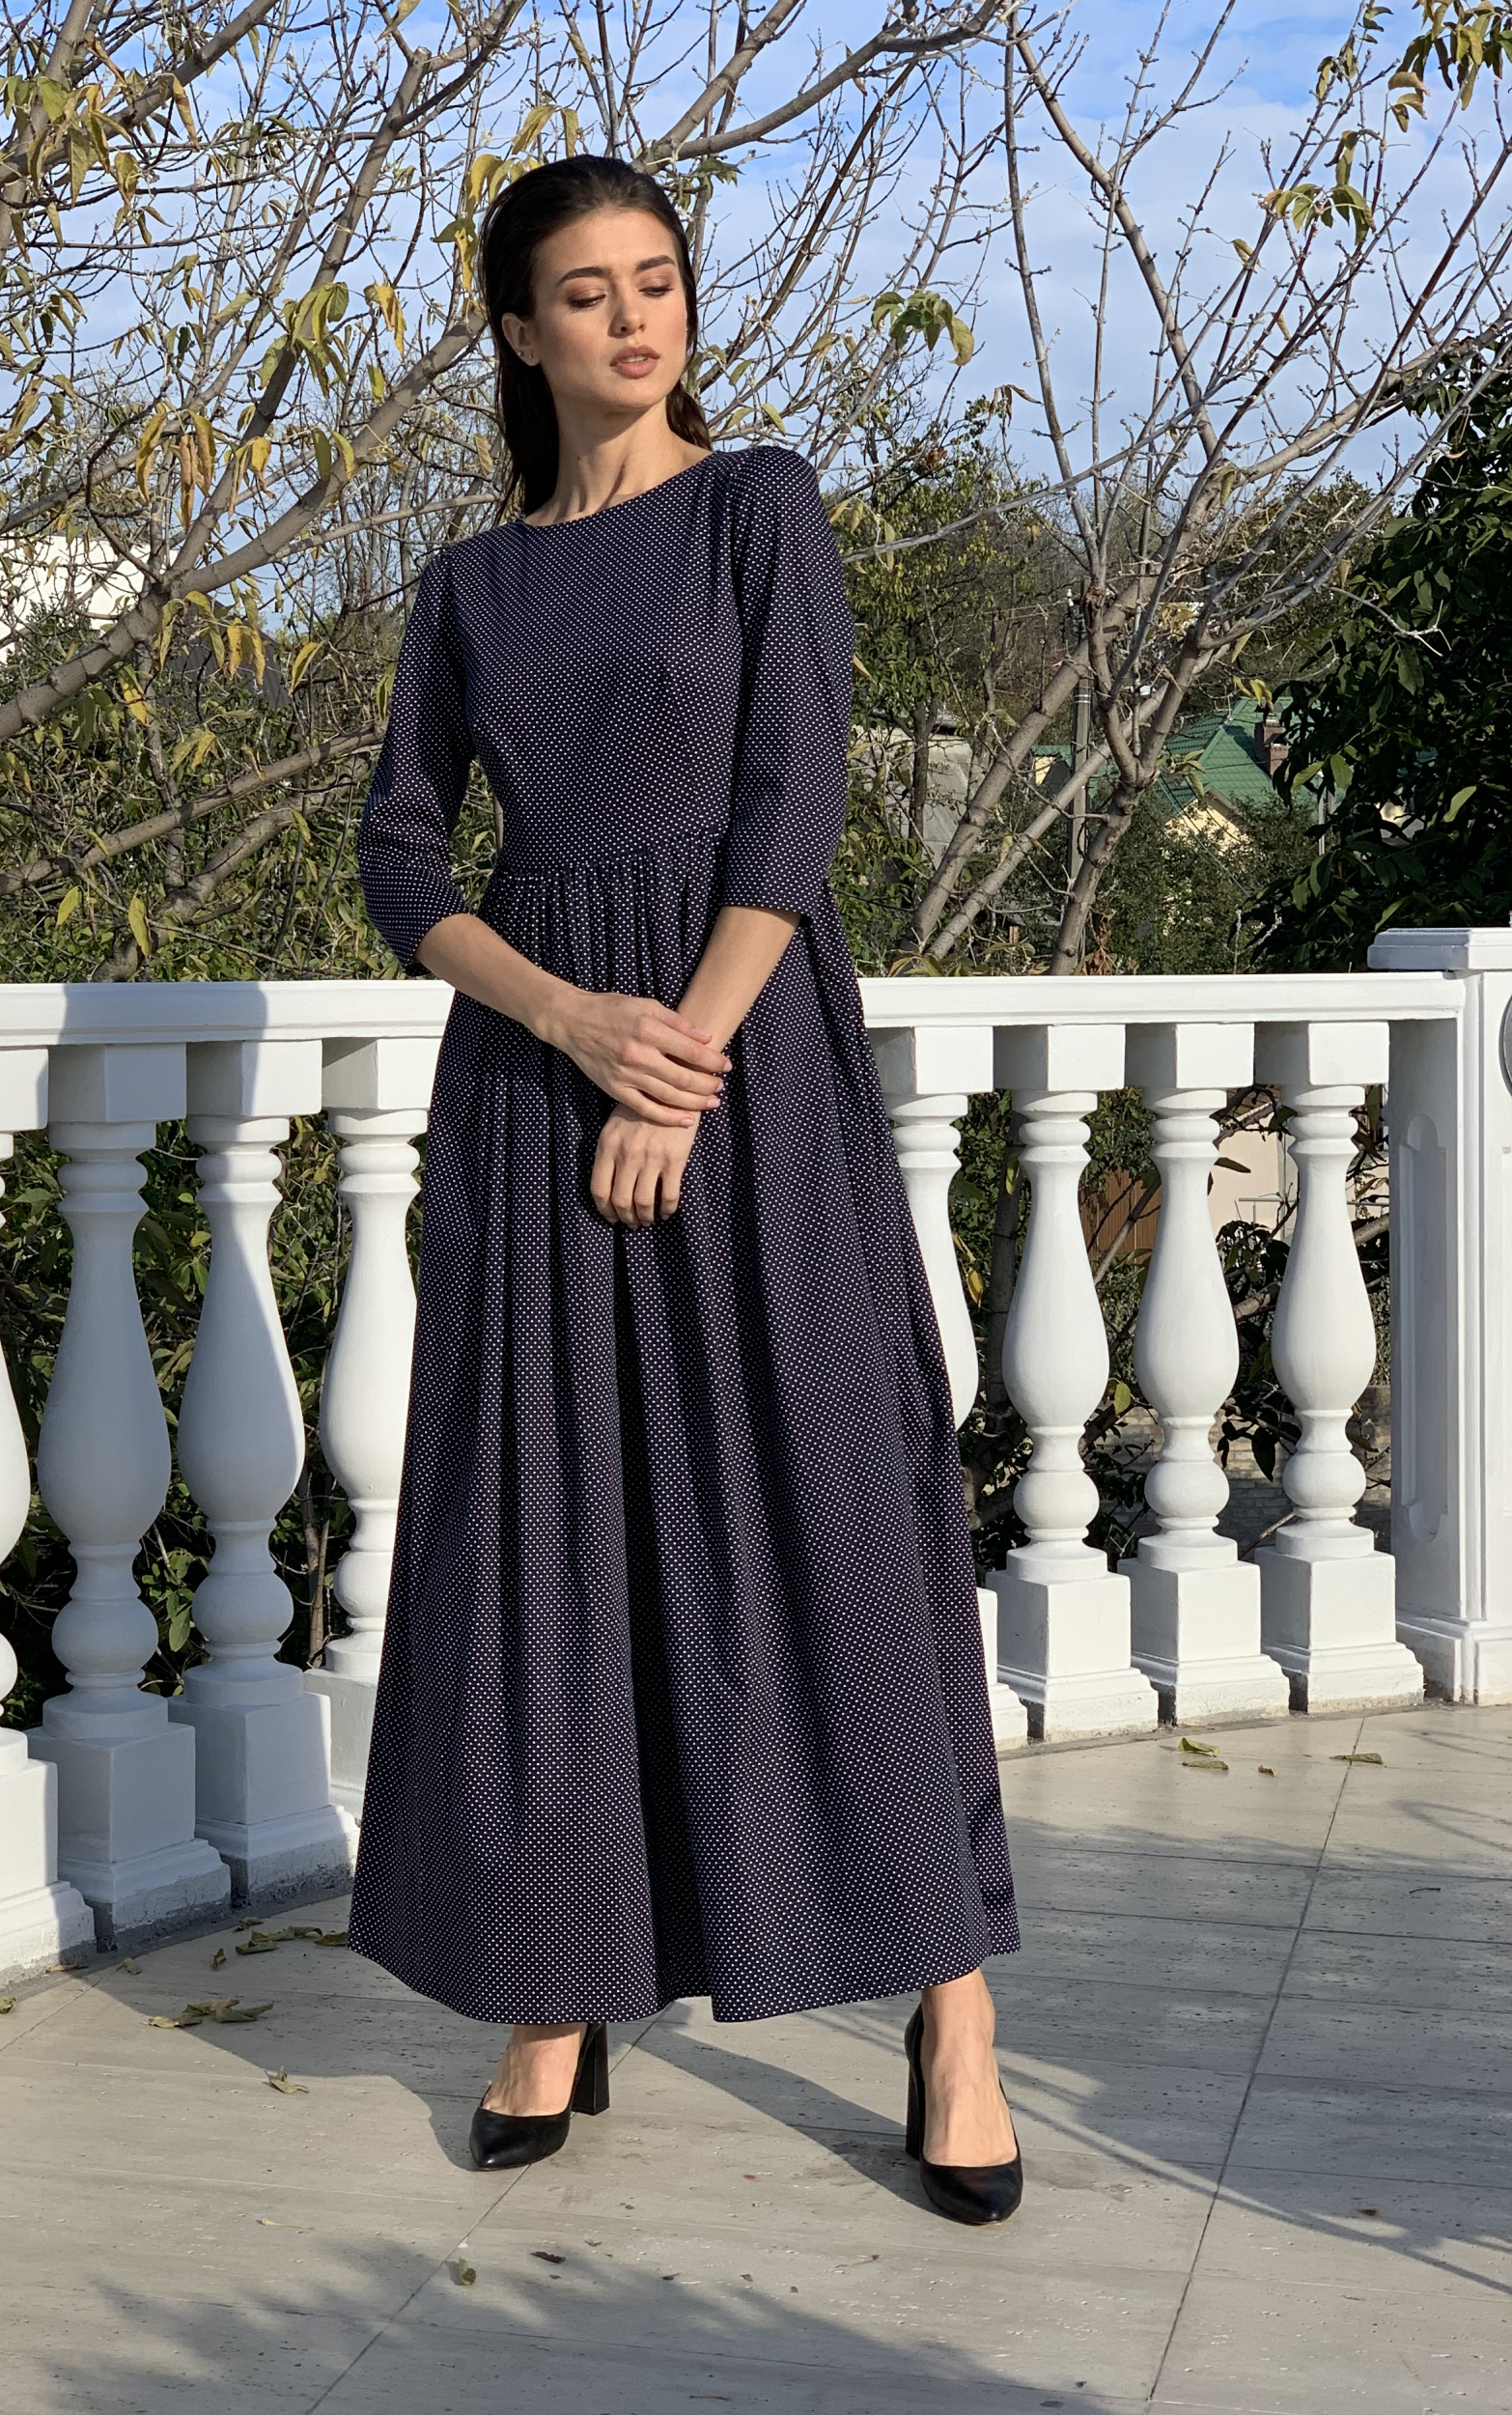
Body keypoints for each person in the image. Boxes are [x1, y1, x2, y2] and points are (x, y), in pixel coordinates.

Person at [347, 154, 1022, 2227]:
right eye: (587, 291)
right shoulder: (468, 587)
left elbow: (789, 803)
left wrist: (681, 1066)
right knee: (545, 1537)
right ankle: (555, 1989)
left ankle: (953, 2012)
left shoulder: (758, 509)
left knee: (832, 1512)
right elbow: (398, 861)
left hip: (746, 1070)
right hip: (536, 1087)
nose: (635, 319)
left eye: (658, 281)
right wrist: (571, 1025)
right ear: (519, 330)